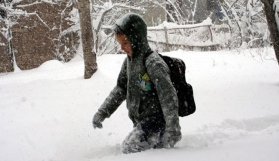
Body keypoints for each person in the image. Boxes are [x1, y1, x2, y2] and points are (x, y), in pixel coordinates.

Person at [92, 13, 181, 153]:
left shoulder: (153, 63)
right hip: (142, 122)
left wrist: (173, 129)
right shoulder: (129, 62)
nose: (122, 48)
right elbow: (120, 89)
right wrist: (102, 112)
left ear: (136, 39)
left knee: (129, 148)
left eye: (125, 43)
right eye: (120, 43)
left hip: (157, 122)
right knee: (132, 148)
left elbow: (168, 97)